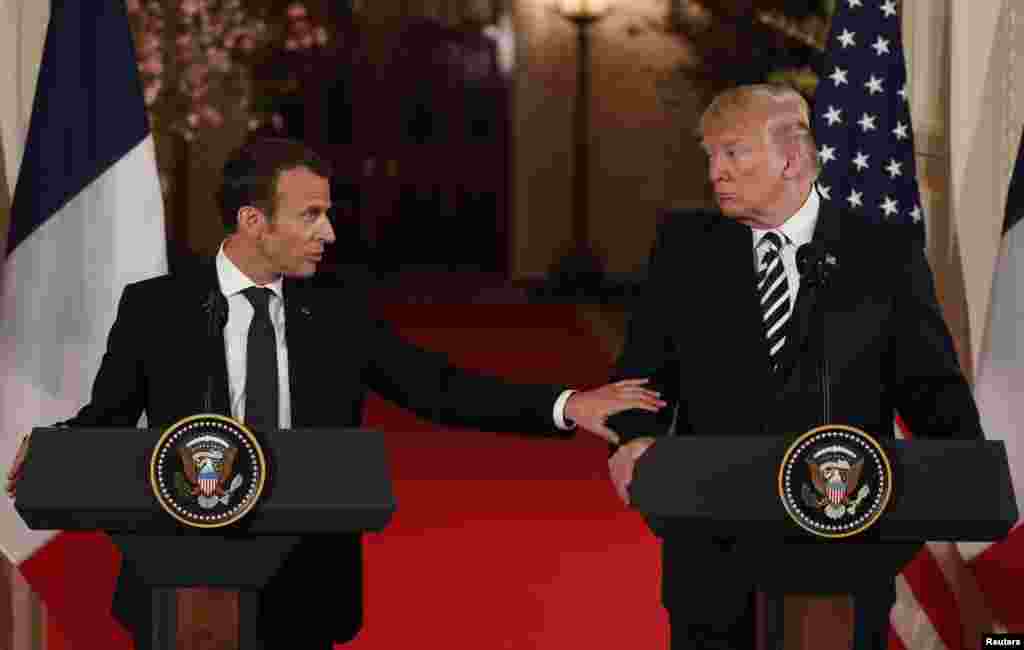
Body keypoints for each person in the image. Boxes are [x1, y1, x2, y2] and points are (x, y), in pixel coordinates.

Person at [6, 137, 666, 649]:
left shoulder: (339, 311)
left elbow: (435, 388)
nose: (329, 233)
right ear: (252, 220)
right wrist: (55, 453)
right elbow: (111, 416)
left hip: (305, 579)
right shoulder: (159, 308)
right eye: (311, 215)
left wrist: (566, 405)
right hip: (177, 581)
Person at [604, 84, 983, 650]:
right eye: (710, 156)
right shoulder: (685, 250)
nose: (716, 172)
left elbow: (933, 393)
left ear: (792, 157)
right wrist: (631, 439)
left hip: (844, 553)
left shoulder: (883, 254)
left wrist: (961, 482)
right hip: (713, 557)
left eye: (733, 153)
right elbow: (643, 380)